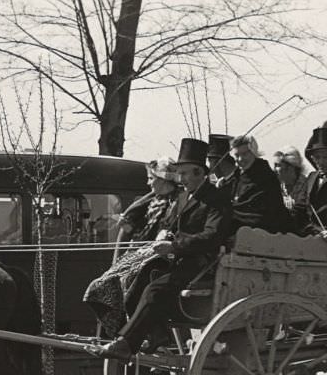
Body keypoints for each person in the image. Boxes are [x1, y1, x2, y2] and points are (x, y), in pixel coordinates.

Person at [91, 138, 232, 359]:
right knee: (134, 283)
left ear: (199, 172)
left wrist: (174, 245)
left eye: (185, 174)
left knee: (154, 291)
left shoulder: (216, 199)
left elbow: (212, 236)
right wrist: (163, 234)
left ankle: (126, 343)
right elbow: (170, 223)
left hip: (200, 264)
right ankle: (154, 335)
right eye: (180, 174)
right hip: (176, 259)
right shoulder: (185, 197)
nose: (181, 179)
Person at [83, 157, 181, 337]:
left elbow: (171, 229)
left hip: (160, 255)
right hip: (141, 251)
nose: (148, 183)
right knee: (97, 287)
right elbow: (135, 223)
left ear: (162, 179)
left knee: (125, 284)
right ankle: (121, 330)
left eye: (151, 179)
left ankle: (140, 331)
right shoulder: (152, 200)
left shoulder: (178, 201)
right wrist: (129, 227)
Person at [220, 134, 292, 235]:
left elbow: (259, 214)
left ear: (254, 153)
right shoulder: (236, 176)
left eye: (245, 154)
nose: (240, 159)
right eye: (237, 155)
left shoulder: (265, 176)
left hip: (263, 232)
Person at [273, 146, 309, 214]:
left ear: (291, 167)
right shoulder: (275, 187)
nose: (274, 169)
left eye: (278, 165)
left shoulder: (308, 186)